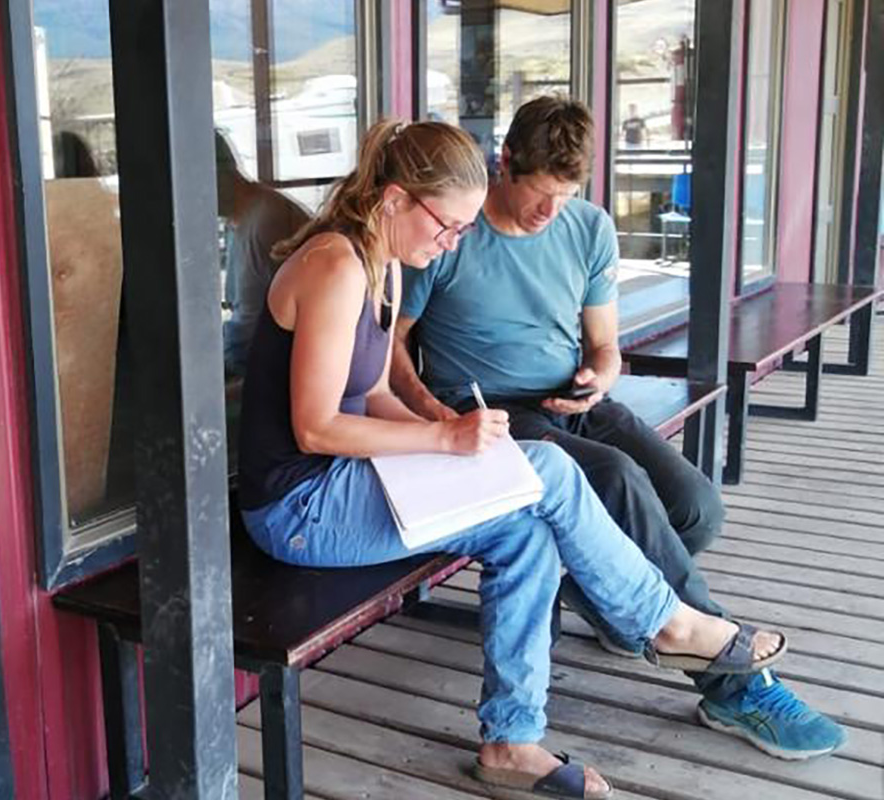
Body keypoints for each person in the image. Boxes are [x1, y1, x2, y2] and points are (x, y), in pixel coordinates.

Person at [238, 117, 788, 800]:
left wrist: (442, 424)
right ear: (395, 200)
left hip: (350, 480)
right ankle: (666, 623)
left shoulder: (386, 265)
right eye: (446, 227)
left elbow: (373, 389)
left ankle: (509, 740)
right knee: (550, 468)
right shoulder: (335, 264)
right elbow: (317, 427)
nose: (450, 245)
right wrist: (443, 445)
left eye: (463, 232)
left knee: (524, 532)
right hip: (300, 505)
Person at [390, 95, 847, 761]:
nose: (551, 213)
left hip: (574, 400)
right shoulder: (453, 234)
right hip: (490, 411)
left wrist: (599, 378)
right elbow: (393, 351)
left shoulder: (589, 227)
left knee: (697, 506)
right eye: (540, 195)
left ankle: (613, 602)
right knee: (617, 480)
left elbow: (605, 346)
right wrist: (439, 415)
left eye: (565, 195)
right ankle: (732, 680)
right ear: (505, 162)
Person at [215, 130, 311, 376]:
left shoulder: (267, 220)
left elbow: (256, 328)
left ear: (219, 173)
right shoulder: (236, 220)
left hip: (269, 372)